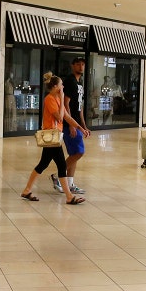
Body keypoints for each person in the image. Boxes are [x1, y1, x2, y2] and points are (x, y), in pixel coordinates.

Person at [21, 72, 87, 204]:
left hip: (55, 136)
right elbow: (59, 116)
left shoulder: (56, 98)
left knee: (43, 164)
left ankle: (27, 190)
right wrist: (62, 99)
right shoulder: (50, 99)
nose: (63, 87)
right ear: (56, 86)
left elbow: (67, 117)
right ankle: (69, 197)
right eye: (61, 85)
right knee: (61, 166)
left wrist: (80, 128)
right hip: (51, 136)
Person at [51, 57, 90, 194]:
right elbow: (66, 104)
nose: (81, 66)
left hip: (75, 122)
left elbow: (79, 107)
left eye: (83, 64)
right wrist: (72, 125)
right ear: (72, 66)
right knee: (79, 152)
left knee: (74, 153)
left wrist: (83, 125)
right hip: (69, 124)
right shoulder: (70, 81)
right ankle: (57, 176)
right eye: (78, 64)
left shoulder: (79, 83)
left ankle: (70, 183)